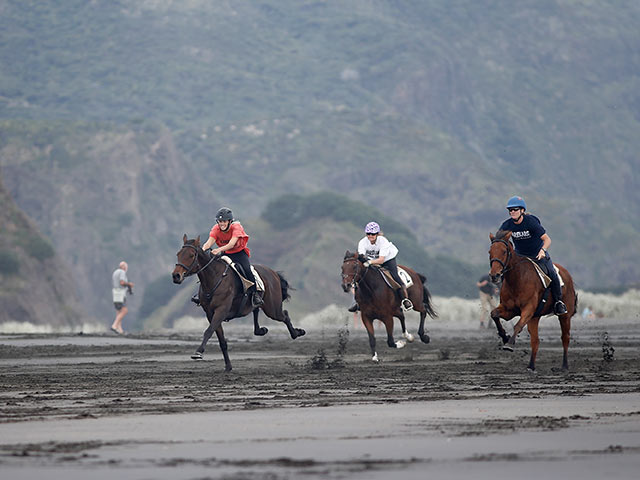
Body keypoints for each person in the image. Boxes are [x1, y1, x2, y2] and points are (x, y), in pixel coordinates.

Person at [498, 196, 567, 315]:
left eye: (515, 209)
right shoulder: (506, 225)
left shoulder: (530, 222)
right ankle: (505, 300)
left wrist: (543, 251)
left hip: (537, 254)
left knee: (552, 273)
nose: (512, 212)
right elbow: (499, 241)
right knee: (505, 274)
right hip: (520, 256)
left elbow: (547, 240)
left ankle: (558, 302)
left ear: (522, 210)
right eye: (510, 210)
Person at [194, 207, 263, 307]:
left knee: (247, 270)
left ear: (230, 221)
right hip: (226, 253)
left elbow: (231, 244)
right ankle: (201, 295)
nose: (221, 223)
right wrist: (202, 250)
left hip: (239, 253)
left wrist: (218, 250)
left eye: (224, 221)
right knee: (209, 269)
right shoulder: (216, 229)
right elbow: (209, 242)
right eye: (220, 221)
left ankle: (255, 294)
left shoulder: (236, 227)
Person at [348, 221, 413, 312]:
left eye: (373, 234)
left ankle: (405, 299)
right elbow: (362, 257)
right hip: (371, 260)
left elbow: (381, 260)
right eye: (368, 234)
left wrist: (369, 262)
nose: (370, 236)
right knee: (361, 276)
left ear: (377, 234)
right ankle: (357, 302)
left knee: (394, 276)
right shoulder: (362, 242)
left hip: (387, 259)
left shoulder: (383, 241)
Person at [111, 261, 133, 334]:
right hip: (120, 293)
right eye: (126, 267)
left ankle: (119, 330)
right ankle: (114, 326)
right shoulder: (122, 272)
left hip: (115, 293)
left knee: (119, 311)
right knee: (124, 310)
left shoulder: (115, 272)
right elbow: (122, 283)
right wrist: (129, 284)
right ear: (123, 267)